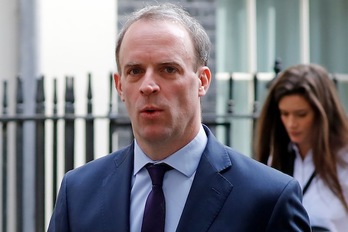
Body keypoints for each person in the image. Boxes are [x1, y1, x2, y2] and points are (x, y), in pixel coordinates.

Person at [48, 3, 311, 232]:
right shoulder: (79, 192)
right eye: (135, 71)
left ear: (202, 81)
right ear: (119, 86)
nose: (148, 85)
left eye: (168, 69)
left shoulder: (268, 198)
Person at [254, 63, 348, 231]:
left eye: (301, 114)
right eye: (285, 114)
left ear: (322, 112)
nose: (291, 123)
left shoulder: (344, 159)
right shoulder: (275, 158)